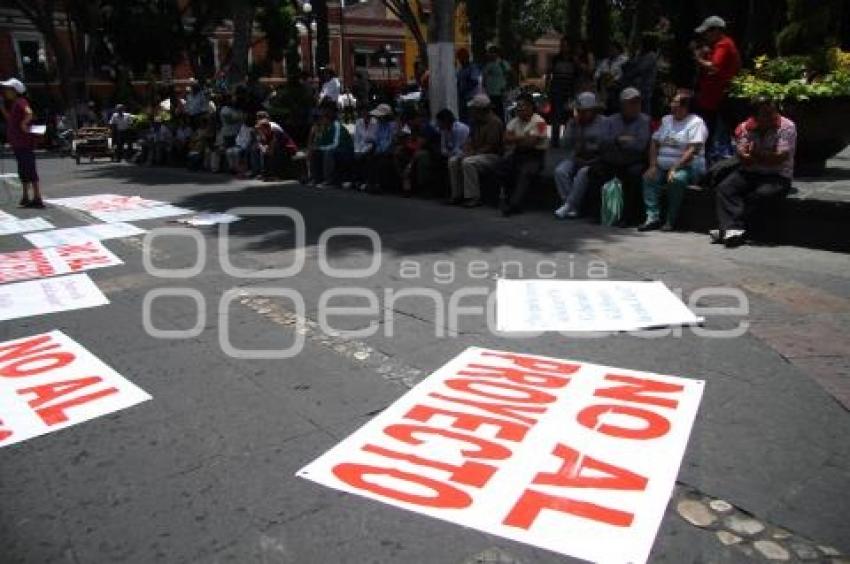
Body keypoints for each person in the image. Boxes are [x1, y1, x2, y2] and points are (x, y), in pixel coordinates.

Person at [711, 97, 796, 247]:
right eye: (766, 114)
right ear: (755, 117)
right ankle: (732, 230)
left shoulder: (786, 127)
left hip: (777, 175)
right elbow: (745, 159)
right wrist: (748, 156)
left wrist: (756, 154)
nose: (773, 116)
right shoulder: (745, 128)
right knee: (725, 188)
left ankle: (729, 230)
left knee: (762, 194)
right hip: (751, 171)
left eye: (774, 112)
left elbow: (779, 158)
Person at [639, 91, 708, 231]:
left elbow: (693, 149)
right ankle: (652, 217)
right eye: (673, 102)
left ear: (686, 107)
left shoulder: (696, 122)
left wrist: (675, 167)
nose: (672, 105)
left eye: (676, 102)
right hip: (662, 164)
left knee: (676, 179)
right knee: (649, 177)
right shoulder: (666, 120)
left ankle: (670, 220)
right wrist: (652, 165)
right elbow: (654, 142)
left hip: (687, 165)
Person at [590, 87, 651, 225]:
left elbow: (640, 145)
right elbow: (602, 142)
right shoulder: (610, 121)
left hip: (633, 161)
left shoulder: (644, 121)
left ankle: (627, 217)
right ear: (622, 105)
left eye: (638, 103)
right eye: (631, 103)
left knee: (633, 175)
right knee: (594, 172)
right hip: (611, 160)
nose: (635, 106)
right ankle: (599, 211)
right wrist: (619, 140)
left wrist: (617, 142)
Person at [694, 16, 741, 161]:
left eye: (707, 32)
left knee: (717, 136)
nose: (705, 36)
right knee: (712, 133)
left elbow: (714, 67)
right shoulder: (719, 46)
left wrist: (698, 59)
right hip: (712, 99)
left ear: (716, 31)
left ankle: (717, 163)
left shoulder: (724, 44)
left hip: (718, 99)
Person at [553, 92, 606, 219]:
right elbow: (565, 143)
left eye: (585, 111)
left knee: (582, 174)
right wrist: (572, 127)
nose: (582, 113)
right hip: (576, 156)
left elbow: (604, 146)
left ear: (593, 110)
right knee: (560, 171)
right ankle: (571, 206)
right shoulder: (573, 123)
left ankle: (568, 205)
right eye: (579, 110)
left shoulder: (603, 122)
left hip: (595, 159)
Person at [447, 94, 504, 207]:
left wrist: (471, 154)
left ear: (480, 110)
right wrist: (466, 150)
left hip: (492, 156)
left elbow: (491, 146)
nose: (471, 111)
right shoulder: (474, 121)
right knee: (453, 160)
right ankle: (457, 194)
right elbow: (469, 139)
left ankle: (473, 196)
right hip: (477, 153)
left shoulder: (495, 122)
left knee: (468, 162)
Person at [499, 93, 548, 216]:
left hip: (535, 156)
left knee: (525, 172)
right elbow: (505, 138)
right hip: (518, 153)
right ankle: (504, 199)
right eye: (518, 106)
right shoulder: (514, 121)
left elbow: (531, 143)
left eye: (523, 106)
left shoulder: (540, 122)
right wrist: (522, 138)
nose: (520, 109)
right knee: (503, 166)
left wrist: (515, 139)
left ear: (531, 107)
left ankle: (515, 204)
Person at [0, 78, 43, 208]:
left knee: (29, 169)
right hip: (18, 144)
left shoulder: (20, 101)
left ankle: (37, 197)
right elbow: (10, 120)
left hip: (24, 143)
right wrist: (1, 107)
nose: (5, 91)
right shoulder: (14, 104)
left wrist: (24, 123)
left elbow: (29, 113)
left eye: (8, 89)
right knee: (23, 170)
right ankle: (25, 196)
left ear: (15, 91)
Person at [311, 101, 354, 188]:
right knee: (316, 152)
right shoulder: (324, 128)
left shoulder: (337, 126)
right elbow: (321, 143)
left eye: (323, 117)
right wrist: (317, 147)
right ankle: (317, 179)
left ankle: (329, 180)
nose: (322, 119)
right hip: (333, 149)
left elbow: (335, 144)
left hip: (344, 150)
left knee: (328, 153)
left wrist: (321, 148)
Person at [546, 37, 578, 146]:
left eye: (566, 45)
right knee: (556, 116)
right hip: (556, 90)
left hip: (569, 91)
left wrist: (575, 92)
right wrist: (547, 89)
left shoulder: (573, 60)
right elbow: (549, 74)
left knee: (569, 116)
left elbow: (576, 76)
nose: (564, 47)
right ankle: (555, 140)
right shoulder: (556, 59)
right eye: (562, 45)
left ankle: (568, 139)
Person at [363, 103, 399, 193]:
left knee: (381, 161)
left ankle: (379, 185)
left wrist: (385, 151)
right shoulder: (379, 125)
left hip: (388, 152)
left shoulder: (393, 125)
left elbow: (393, 141)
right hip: (379, 150)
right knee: (370, 158)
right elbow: (375, 140)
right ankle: (370, 183)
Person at [435, 108, 469, 199]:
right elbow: (443, 148)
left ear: (445, 121)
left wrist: (449, 153)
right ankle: (447, 192)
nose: (438, 124)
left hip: (464, 152)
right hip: (451, 153)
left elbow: (458, 148)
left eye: (439, 122)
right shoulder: (444, 130)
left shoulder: (460, 129)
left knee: (453, 161)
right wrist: (447, 153)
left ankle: (456, 194)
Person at [622, 34, 659, 116]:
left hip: (644, 89)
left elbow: (639, 69)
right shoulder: (639, 55)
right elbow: (626, 65)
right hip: (634, 88)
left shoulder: (651, 56)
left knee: (643, 112)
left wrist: (630, 73)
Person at [595, 42, 628, 112]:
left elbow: (623, 74)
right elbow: (597, 73)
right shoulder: (605, 61)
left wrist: (612, 79)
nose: (611, 50)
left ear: (618, 49)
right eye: (610, 49)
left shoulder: (625, 60)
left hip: (617, 86)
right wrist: (603, 76)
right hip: (603, 85)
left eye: (613, 48)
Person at [482, 46, 511, 121]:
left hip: (499, 93)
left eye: (492, 52)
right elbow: (484, 77)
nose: (490, 54)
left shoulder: (503, 63)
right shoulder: (488, 64)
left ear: (496, 54)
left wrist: (506, 88)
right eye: (489, 53)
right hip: (489, 93)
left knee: (500, 112)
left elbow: (508, 76)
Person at [456, 48, 481, 123]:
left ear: (467, 57)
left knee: (471, 117)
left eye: (462, 58)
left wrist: (465, 88)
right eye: (459, 58)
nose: (460, 60)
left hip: (471, 98)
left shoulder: (473, 68)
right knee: (462, 118)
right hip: (461, 98)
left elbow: (474, 81)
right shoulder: (460, 70)